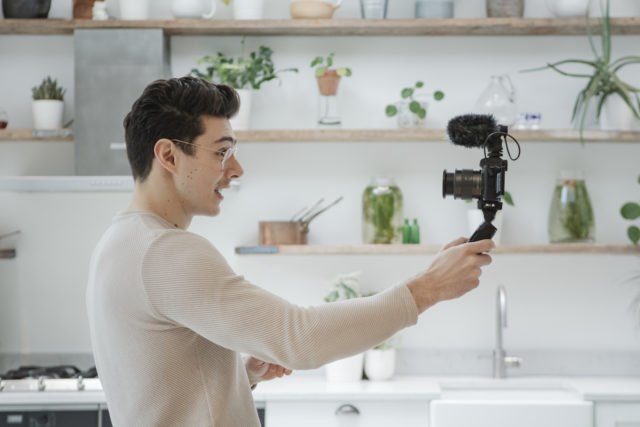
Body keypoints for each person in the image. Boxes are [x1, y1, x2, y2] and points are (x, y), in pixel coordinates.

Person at [86, 76, 494, 426]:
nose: (236, 168)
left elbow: (157, 385)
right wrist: (429, 288)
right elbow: (302, 337)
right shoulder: (166, 253)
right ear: (168, 155)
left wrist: (239, 375)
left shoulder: (121, 243)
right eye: (221, 152)